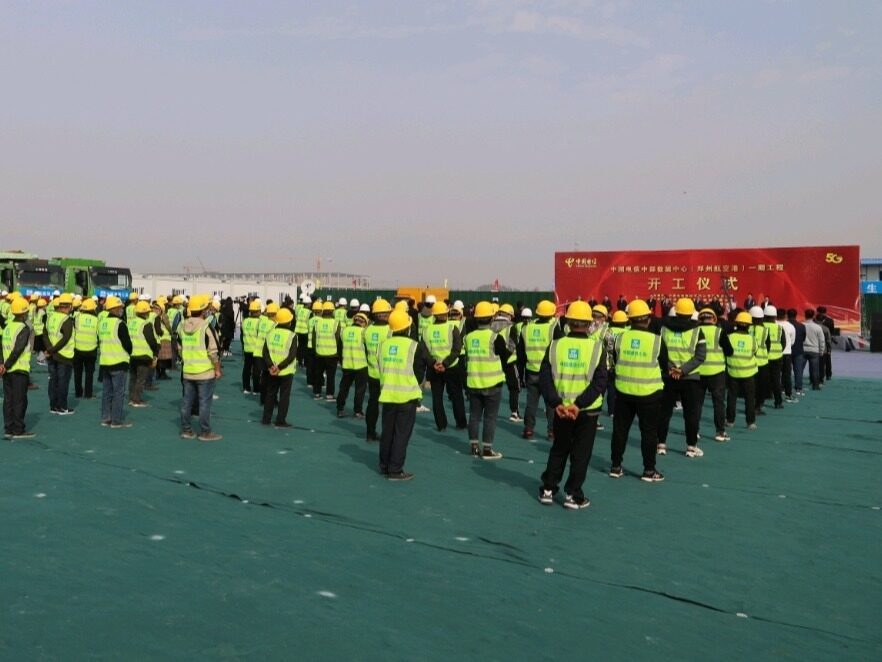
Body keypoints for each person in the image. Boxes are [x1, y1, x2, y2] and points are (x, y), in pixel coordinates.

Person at [537, 301, 607, 509]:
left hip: (561, 409)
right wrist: (579, 404)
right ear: (589, 324)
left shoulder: (555, 345)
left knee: (559, 449)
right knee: (581, 454)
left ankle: (548, 489)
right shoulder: (597, 347)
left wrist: (556, 403)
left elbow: (545, 378)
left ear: (568, 322)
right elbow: (600, 382)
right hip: (586, 410)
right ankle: (572, 495)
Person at [609, 299, 665, 482]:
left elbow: (616, 359)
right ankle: (649, 470)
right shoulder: (656, 340)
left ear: (630, 320)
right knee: (649, 433)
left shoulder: (620, 338)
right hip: (649, 394)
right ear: (648, 319)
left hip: (623, 392)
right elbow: (664, 365)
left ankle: (615, 466)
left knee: (620, 431)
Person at [657, 298, 706, 458]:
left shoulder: (664, 329)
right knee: (691, 414)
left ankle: (661, 444)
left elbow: (659, 353)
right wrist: (683, 370)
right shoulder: (698, 331)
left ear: (676, 311)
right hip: (690, 378)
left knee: (664, 412)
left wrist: (671, 369)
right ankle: (691, 447)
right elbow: (700, 356)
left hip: (668, 376)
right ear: (692, 313)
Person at [377, 308, 422, 480]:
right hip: (407, 396)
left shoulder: (383, 345)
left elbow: (381, 367)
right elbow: (419, 372)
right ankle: (395, 469)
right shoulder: (414, 346)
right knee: (401, 434)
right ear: (408, 327)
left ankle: (384, 464)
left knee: (387, 432)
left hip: (388, 394)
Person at [465, 301, 510, 459]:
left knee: (474, 415)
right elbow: (505, 356)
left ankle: (474, 447)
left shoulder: (468, 338)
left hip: (474, 382)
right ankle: (487, 449)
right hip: (492, 383)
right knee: (490, 417)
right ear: (492, 318)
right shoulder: (495, 337)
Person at [179, 294, 223, 441]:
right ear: (203, 310)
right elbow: (213, 351)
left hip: (188, 370)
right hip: (205, 372)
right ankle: (205, 432)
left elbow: (179, 346)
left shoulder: (183, 325)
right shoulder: (205, 327)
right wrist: (217, 368)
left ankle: (186, 430)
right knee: (204, 403)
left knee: (187, 402)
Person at [421, 300, 466, 431]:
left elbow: (424, 351)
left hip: (434, 368)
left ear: (434, 315)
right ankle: (461, 423)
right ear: (447, 313)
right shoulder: (452, 328)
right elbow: (457, 349)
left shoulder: (426, 330)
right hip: (451, 367)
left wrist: (434, 363)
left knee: (437, 398)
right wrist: (445, 364)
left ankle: (441, 425)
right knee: (457, 396)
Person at [520, 299, 562, 439]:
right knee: (551, 403)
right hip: (548, 372)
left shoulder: (526, 329)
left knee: (531, 403)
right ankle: (552, 431)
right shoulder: (553, 327)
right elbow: (560, 348)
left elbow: (521, 353)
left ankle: (528, 429)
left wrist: (520, 373)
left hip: (531, 371)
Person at [1, 297, 36, 439]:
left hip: (7, 370)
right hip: (19, 369)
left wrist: (2, 364)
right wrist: (7, 364)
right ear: (24, 313)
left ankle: (9, 428)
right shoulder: (24, 328)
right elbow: (18, 349)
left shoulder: (8, 327)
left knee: (8, 400)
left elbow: (2, 347)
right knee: (20, 400)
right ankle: (18, 429)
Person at [696, 308, 731, 442]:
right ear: (714, 319)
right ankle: (720, 432)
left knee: (697, 404)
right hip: (716, 373)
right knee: (718, 403)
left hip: (698, 372)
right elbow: (729, 351)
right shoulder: (719, 332)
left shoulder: (695, 331)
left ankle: (694, 431)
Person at [97, 296, 133, 428]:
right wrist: (130, 352)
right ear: (114, 308)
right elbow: (127, 344)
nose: (122, 310)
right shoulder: (120, 324)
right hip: (119, 362)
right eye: (120, 308)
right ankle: (116, 420)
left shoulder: (102, 323)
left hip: (105, 362)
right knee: (118, 393)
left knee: (107, 392)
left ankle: (105, 418)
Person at [364, 299, 393, 442]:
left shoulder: (367, 330)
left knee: (372, 404)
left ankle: (370, 433)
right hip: (387, 375)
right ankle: (387, 434)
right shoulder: (390, 330)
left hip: (372, 373)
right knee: (388, 407)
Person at [262, 307, 297, 428]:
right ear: (289, 322)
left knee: (270, 394)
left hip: (272, 371)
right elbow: (292, 355)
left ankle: (266, 418)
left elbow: (265, 352)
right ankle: (280, 420)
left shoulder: (270, 333)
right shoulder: (292, 336)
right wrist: (280, 367)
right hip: (286, 371)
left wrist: (271, 366)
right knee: (284, 396)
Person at [44, 292, 76, 415]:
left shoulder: (50, 317)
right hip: (64, 355)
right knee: (63, 381)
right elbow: (65, 339)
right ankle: (62, 407)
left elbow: (45, 334)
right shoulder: (67, 320)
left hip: (52, 355)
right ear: (70, 306)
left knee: (53, 380)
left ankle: (53, 406)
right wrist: (53, 349)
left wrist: (49, 349)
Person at [725, 311, 758, 429]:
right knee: (749, 398)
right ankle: (750, 422)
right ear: (749, 326)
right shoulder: (752, 339)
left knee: (731, 397)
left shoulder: (729, 337)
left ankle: (730, 420)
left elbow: (726, 351)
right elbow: (754, 351)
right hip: (748, 373)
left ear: (736, 323)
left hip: (732, 372)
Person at [337, 312, 369, 418]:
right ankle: (357, 411)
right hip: (361, 365)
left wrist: (341, 361)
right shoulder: (364, 332)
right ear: (364, 323)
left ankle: (340, 409)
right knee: (360, 390)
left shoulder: (344, 331)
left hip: (347, 364)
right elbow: (367, 349)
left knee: (344, 388)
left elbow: (340, 347)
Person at [128, 300, 159, 407]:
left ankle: (131, 398)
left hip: (132, 354)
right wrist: (155, 351)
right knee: (141, 379)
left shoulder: (131, 322)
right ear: (146, 313)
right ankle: (136, 400)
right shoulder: (146, 324)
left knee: (133, 378)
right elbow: (151, 340)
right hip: (144, 355)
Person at [312, 301, 340, 401]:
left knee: (318, 374)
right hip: (332, 354)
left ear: (323, 311)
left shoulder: (317, 323)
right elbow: (337, 339)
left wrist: (316, 350)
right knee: (330, 376)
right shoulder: (336, 323)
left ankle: (317, 393)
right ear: (332, 311)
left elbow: (314, 339)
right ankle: (329, 395)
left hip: (319, 353)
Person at [73, 298, 99, 399]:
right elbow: (98, 334)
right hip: (91, 350)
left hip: (78, 348)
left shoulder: (77, 318)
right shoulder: (96, 320)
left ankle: (78, 392)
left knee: (77, 372)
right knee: (89, 373)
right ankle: (88, 394)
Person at [763, 305, 786, 409]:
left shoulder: (761, 327)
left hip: (763, 357)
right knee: (776, 380)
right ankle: (778, 402)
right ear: (775, 317)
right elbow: (783, 343)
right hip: (777, 357)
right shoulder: (779, 328)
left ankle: (760, 402)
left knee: (762, 380)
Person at [749, 306, 771, 415]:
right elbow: (768, 345)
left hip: (749, 362)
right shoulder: (765, 330)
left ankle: (749, 406)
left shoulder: (747, 329)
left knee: (750, 387)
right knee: (761, 386)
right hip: (762, 362)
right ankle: (758, 406)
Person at [241, 298, 261, 394]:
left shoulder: (245, 321)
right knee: (256, 371)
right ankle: (256, 389)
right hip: (256, 350)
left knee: (246, 369)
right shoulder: (259, 322)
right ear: (258, 311)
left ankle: (246, 388)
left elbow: (242, 335)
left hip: (247, 348)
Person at [803, 309, 826, 391]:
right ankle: (815, 385)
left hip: (803, 349)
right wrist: (821, 351)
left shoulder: (802, 325)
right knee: (815, 369)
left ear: (805, 315)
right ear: (813, 316)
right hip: (814, 350)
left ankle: (798, 385)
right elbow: (822, 340)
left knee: (799, 369)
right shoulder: (818, 327)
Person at [777, 308, 797, 403]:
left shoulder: (774, 325)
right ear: (785, 316)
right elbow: (792, 341)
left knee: (775, 375)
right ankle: (788, 394)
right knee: (787, 375)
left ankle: (773, 393)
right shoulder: (790, 326)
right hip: (787, 353)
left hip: (774, 353)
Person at [787, 308, 806, 396]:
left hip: (787, 351)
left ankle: (784, 388)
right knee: (798, 371)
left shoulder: (784, 325)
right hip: (798, 350)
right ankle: (798, 388)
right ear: (796, 315)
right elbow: (803, 338)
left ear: (787, 315)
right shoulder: (801, 326)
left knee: (786, 371)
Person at [816, 306, 835, 381]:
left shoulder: (815, 320)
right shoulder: (830, 320)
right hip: (827, 341)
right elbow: (832, 331)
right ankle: (828, 374)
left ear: (817, 312)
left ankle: (818, 374)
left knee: (817, 359)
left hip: (816, 342)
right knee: (827, 358)